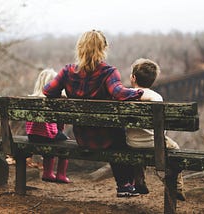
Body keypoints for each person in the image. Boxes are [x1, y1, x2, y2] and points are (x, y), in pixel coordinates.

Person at [43, 30, 144, 197]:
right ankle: (125, 184)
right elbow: (119, 93)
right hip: (107, 138)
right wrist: (138, 92)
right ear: (103, 48)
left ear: (80, 48)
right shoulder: (108, 72)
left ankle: (127, 185)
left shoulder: (67, 72)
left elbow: (48, 90)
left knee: (117, 134)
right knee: (121, 136)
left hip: (83, 137)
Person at [126, 58, 186, 201]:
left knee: (138, 150)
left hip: (132, 143)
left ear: (133, 78)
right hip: (154, 143)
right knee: (175, 148)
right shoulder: (156, 97)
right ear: (152, 81)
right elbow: (161, 127)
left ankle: (139, 180)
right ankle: (178, 187)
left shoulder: (126, 95)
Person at [26, 68, 71, 183]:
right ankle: (61, 175)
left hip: (32, 135)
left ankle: (47, 173)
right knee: (65, 142)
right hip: (48, 135)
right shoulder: (55, 100)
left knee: (50, 141)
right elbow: (59, 124)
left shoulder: (32, 99)